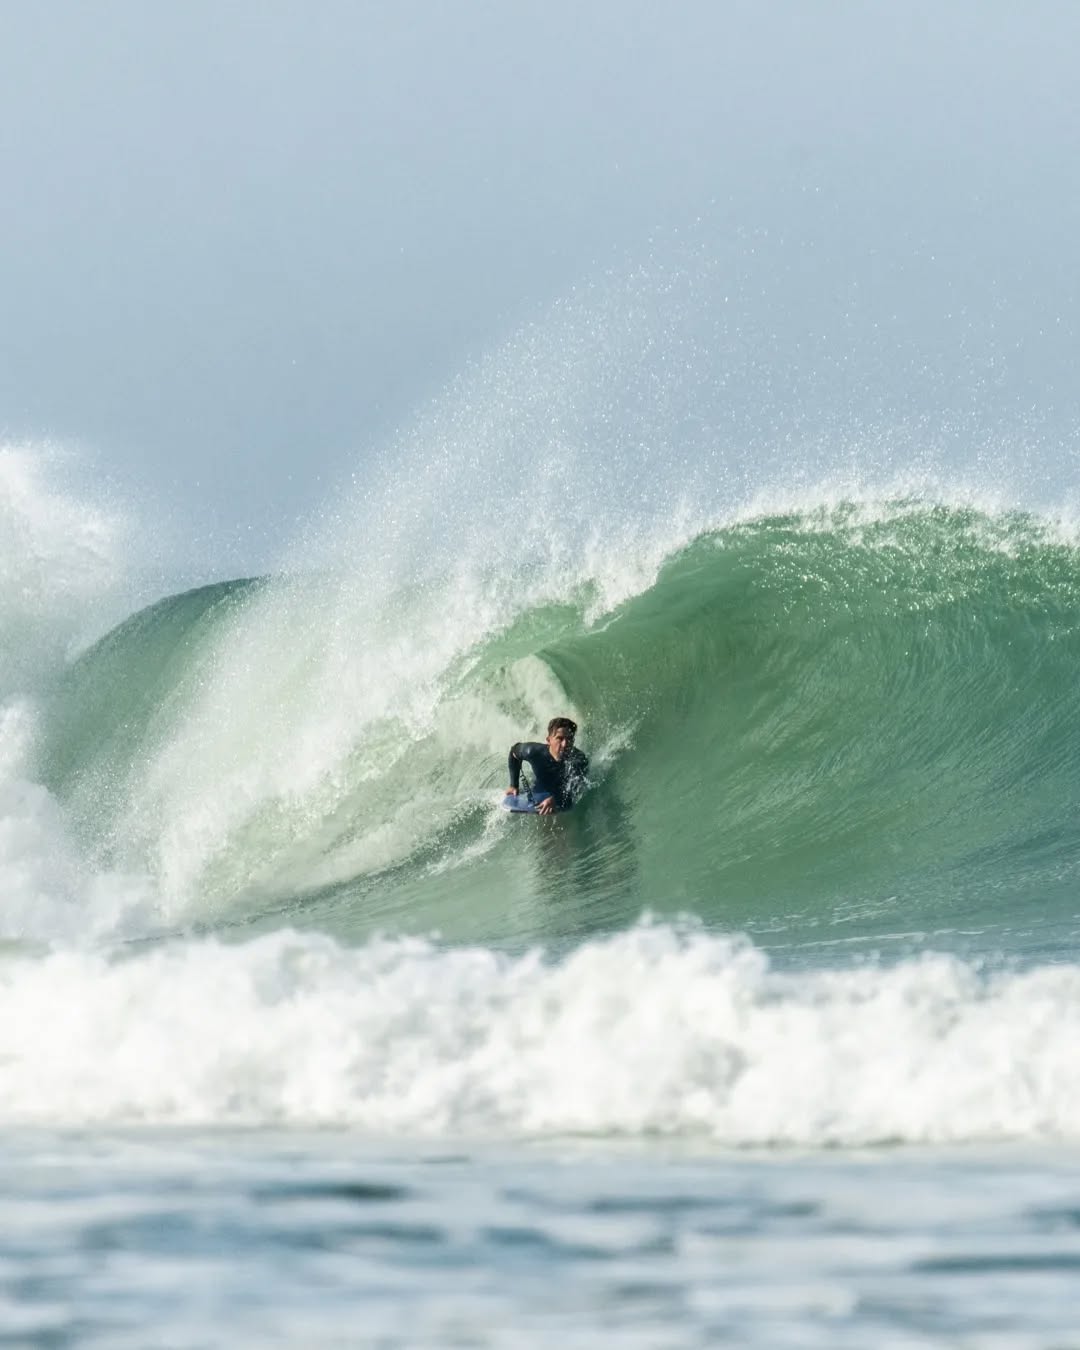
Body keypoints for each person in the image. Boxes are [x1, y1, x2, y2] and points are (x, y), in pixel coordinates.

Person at [506, 717, 589, 815]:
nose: (565, 744)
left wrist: (556, 799)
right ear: (549, 740)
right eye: (560, 738)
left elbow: (574, 793)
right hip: (539, 789)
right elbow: (514, 753)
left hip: (562, 799)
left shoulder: (578, 761)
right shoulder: (533, 752)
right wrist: (513, 785)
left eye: (569, 739)